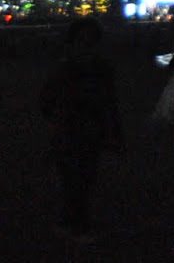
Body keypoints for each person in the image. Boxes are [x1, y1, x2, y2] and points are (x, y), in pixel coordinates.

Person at [39, 17, 124, 239]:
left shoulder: (89, 68)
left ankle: (75, 219)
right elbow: (47, 101)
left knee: (84, 177)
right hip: (72, 129)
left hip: (86, 129)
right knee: (73, 177)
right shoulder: (71, 69)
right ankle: (73, 219)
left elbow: (110, 102)